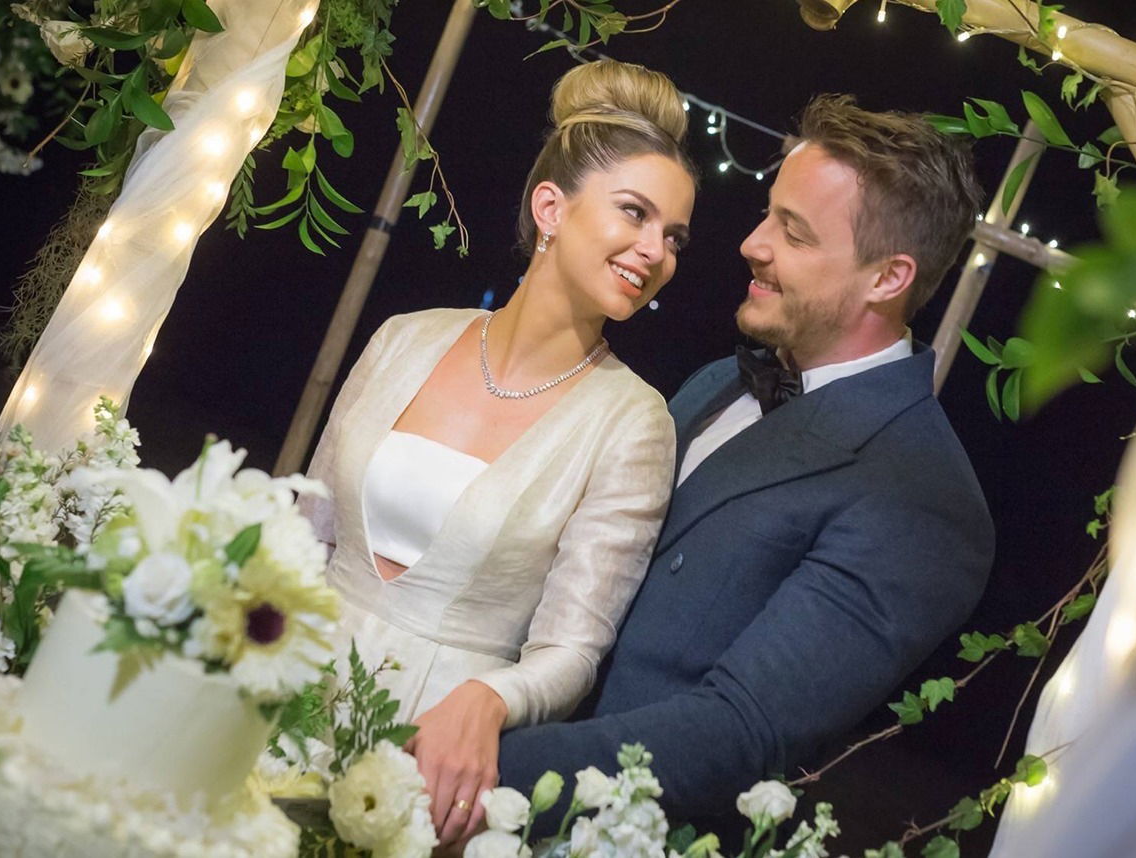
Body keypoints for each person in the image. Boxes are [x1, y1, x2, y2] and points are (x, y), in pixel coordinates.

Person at [497, 94, 995, 820]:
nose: (752, 244)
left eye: (793, 232)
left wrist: (476, 768)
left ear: (887, 278)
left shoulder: (924, 498)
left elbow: (733, 736)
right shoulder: (717, 381)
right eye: (768, 214)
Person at [300, 60, 696, 844]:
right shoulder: (404, 338)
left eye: (674, 237)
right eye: (634, 213)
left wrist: (489, 701)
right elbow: (306, 532)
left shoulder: (633, 422)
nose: (655, 251)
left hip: (429, 754)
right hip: (288, 680)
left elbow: (572, 650)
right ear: (551, 207)